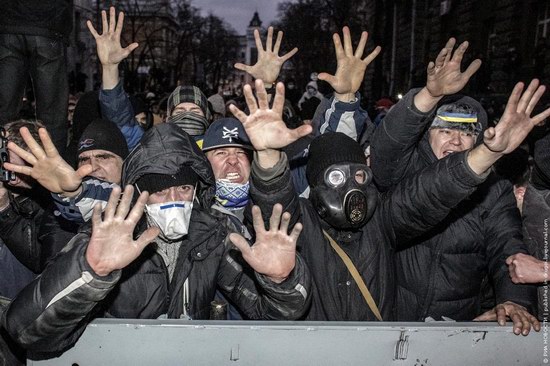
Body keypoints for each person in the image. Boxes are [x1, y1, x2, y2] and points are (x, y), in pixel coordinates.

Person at [229, 77, 547, 335]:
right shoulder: (302, 221)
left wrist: (488, 154)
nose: (351, 188)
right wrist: (268, 157)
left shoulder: (381, 217)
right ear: (316, 184)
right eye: (337, 177)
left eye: (359, 175)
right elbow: (273, 208)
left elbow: (429, 194)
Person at [1, 122, 311, 355]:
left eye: (184, 189)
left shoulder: (212, 235)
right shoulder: (109, 232)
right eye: (160, 191)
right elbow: (27, 330)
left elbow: (274, 315)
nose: (174, 199)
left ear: (198, 191)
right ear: (139, 194)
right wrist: (91, 271)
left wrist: (281, 281)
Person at [369, 37, 540, 330]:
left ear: (480, 139)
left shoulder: (495, 191)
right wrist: (428, 96)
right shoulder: (406, 170)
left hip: (454, 328)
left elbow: (508, 248)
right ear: (427, 136)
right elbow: (387, 148)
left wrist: (515, 301)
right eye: (445, 129)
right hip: (388, 320)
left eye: (466, 133)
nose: (456, 140)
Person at [87, 7, 212, 149]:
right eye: (180, 111)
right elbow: (119, 119)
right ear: (168, 117)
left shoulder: (219, 151)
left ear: (207, 117)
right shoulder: (152, 146)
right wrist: (110, 68)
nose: (187, 117)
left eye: (195, 112)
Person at [0, 0, 73, 153]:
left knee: (3, 109)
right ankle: (54, 170)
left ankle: (2, 166)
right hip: (49, 21)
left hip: (7, 21)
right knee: (52, 113)